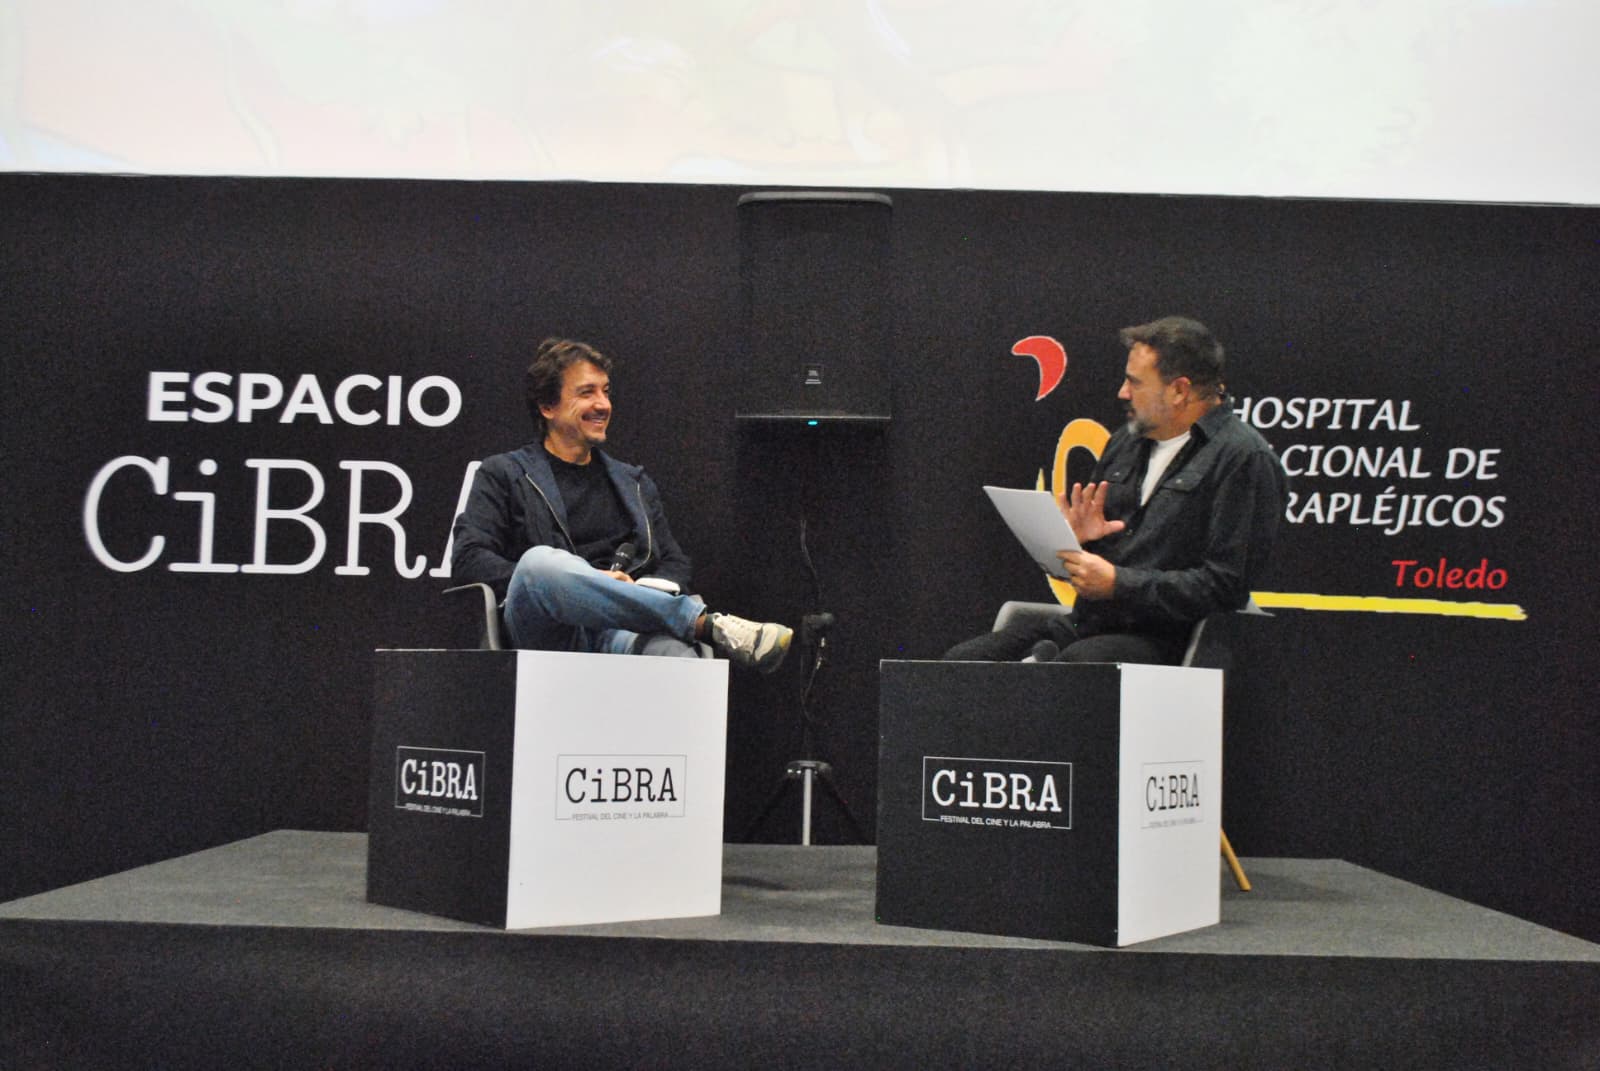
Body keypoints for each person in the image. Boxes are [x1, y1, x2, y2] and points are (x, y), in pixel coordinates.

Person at [944, 316, 1287, 665]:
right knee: (964, 661)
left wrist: (1119, 584)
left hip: (1170, 641)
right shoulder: (1125, 442)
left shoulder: (1243, 459)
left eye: (1134, 382)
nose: (1122, 392)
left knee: (1076, 668)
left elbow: (1224, 586)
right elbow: (1107, 553)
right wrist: (1077, 543)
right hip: (1089, 623)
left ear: (1179, 390)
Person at [452, 337, 793, 672]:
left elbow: (674, 562)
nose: (603, 404)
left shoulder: (634, 482)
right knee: (538, 565)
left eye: (606, 391)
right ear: (547, 407)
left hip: (622, 629)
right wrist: (587, 582)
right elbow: (469, 557)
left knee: (675, 654)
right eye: (587, 393)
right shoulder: (504, 473)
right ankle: (706, 624)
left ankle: (691, 631)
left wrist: (636, 590)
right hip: (548, 631)